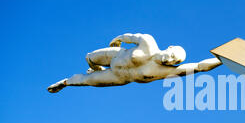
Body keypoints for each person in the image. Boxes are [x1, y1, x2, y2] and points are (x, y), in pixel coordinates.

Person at [47, 33, 222, 93]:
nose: (169, 60)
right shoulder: (149, 43)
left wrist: (221, 59)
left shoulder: (164, 71)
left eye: (174, 61)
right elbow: (133, 36)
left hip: (119, 76)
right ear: (169, 47)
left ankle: (64, 83)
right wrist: (119, 39)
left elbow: (199, 67)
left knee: (86, 81)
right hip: (116, 56)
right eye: (171, 55)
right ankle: (96, 68)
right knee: (89, 58)